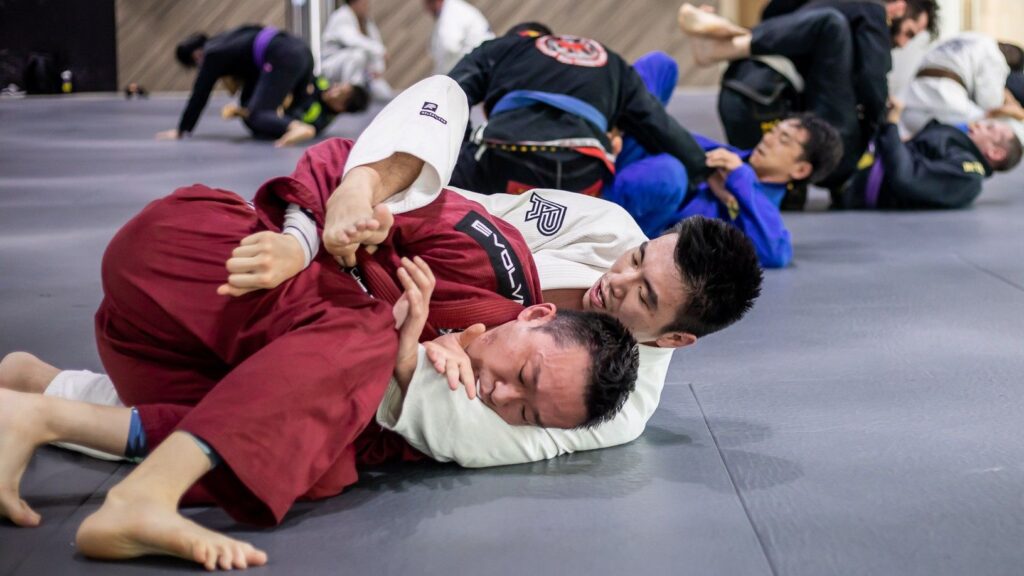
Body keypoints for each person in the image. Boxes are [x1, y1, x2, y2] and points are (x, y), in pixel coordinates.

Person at [0, 76, 640, 570]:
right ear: (534, 313)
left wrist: (409, 364)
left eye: (524, 412)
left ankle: (41, 400)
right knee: (364, 336)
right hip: (207, 256)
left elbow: (319, 424)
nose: (503, 395)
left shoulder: (461, 410)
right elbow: (342, 161)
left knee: (326, 456)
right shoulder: (485, 253)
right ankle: (142, 497)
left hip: (162, 354)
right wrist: (308, 242)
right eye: (523, 375)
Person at [15, 76, 765, 472]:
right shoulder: (610, 231)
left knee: (313, 434)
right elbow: (469, 209)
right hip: (373, 260)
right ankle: (337, 205)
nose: (615, 278)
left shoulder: (618, 406)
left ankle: (51, 392)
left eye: (643, 297)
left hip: (383, 367)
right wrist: (370, 202)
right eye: (638, 261)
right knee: (432, 117)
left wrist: (412, 358)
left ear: (678, 338)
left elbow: (479, 434)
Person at [602, 51, 843, 267]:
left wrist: (740, 178)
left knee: (670, 173)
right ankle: (598, 129)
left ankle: (589, 191)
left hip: (636, 206)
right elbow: (671, 138)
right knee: (661, 65)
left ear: (800, 169)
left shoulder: (760, 206)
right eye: (774, 131)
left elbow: (777, 254)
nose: (768, 139)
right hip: (626, 158)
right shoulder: (729, 156)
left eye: (784, 140)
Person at [683, 0, 938, 203]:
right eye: (909, 33)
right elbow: (873, 82)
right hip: (837, 147)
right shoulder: (871, 12)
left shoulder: (813, 12)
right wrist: (884, 122)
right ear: (898, 7)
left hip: (742, 97)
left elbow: (771, 12)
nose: (903, 44)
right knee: (832, 24)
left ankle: (729, 40)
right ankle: (725, 42)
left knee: (831, 22)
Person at [448, 22, 710, 198]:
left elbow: (448, 91)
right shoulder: (610, 59)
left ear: (521, 38)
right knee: (669, 174)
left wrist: (463, 150)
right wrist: (702, 168)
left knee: (438, 171)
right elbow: (655, 120)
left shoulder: (504, 47)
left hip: (505, 160)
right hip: (583, 176)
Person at [156, 26, 369, 147]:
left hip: (283, 56)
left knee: (258, 114)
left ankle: (295, 127)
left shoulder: (211, 55)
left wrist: (183, 129)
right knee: (251, 110)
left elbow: (200, 93)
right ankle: (287, 122)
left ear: (197, 56)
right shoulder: (229, 38)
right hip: (302, 53)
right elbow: (253, 77)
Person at [833, 98, 1023, 209]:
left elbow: (906, 177)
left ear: (995, 152)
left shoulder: (968, 174)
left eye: (988, 128)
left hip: (856, 180)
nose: (979, 124)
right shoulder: (959, 147)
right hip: (859, 163)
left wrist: (892, 124)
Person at [901, 33, 1024, 139]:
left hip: (912, 93)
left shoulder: (975, 37)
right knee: (1002, 129)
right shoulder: (996, 58)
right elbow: (990, 105)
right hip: (946, 98)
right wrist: (1015, 109)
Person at [320, 0, 393, 101]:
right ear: (355, 2)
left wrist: (378, 69)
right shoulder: (341, 16)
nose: (367, 6)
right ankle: (349, 94)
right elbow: (353, 40)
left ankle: (358, 91)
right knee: (358, 55)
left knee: (385, 94)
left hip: (363, 73)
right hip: (332, 67)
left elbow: (375, 43)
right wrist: (381, 50)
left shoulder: (366, 22)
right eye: (364, 3)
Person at [424, 0, 494, 75]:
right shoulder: (452, 9)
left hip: (480, 64)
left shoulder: (450, 13)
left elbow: (449, 46)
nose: (427, 9)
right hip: (483, 59)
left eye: (428, 4)